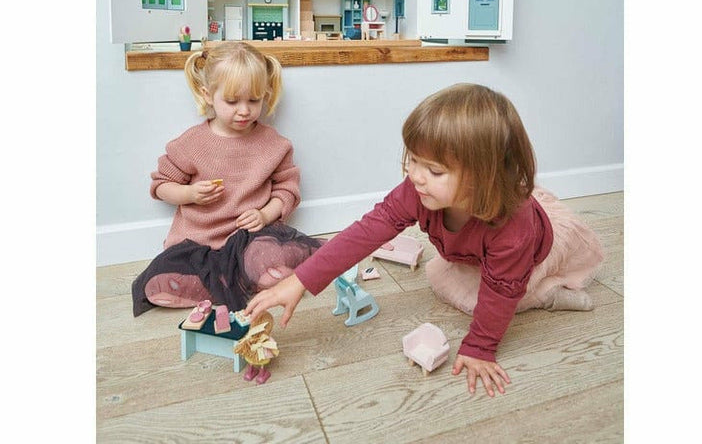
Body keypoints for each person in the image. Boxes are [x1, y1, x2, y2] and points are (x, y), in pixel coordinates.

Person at [243, 83, 604, 397]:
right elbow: (367, 231)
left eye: (434, 170)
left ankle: (548, 294)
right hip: (478, 254)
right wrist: (300, 280)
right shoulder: (419, 190)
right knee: (440, 277)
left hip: (534, 255)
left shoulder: (512, 233)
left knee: (500, 298)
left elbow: (501, 291)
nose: (415, 176)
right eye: (413, 160)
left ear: (485, 178)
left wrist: (480, 347)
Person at [131, 41, 323, 317]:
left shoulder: (274, 144)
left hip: (250, 238)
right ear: (208, 95)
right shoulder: (192, 143)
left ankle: (247, 275)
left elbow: (287, 190)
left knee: (267, 253)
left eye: (254, 100)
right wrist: (189, 194)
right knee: (163, 273)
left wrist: (265, 214)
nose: (244, 111)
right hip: (199, 242)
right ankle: (217, 283)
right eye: (232, 102)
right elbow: (161, 185)